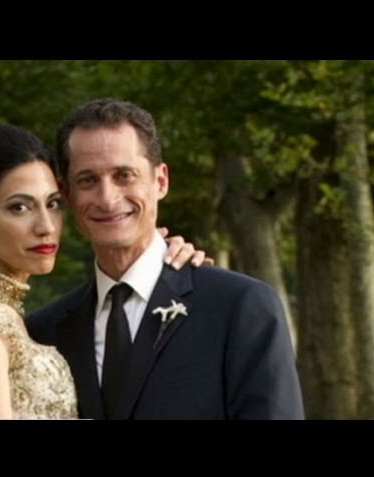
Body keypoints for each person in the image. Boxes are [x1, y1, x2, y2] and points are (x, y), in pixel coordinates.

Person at [26, 98, 305, 420]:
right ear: (67, 194)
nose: (107, 198)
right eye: (87, 180)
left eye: (124, 175)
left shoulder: (240, 307)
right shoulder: (44, 332)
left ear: (160, 181)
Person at [0, 124, 208, 419]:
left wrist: (154, 252)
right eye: (19, 208)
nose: (46, 227)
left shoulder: (3, 313)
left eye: (53, 204)